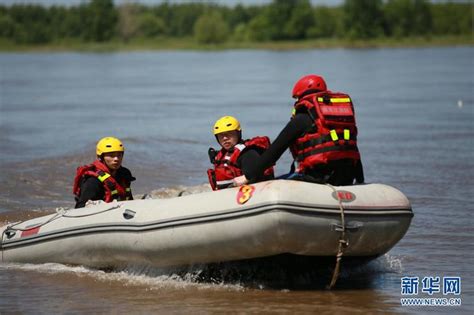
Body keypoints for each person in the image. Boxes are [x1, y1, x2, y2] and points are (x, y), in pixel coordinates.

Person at [233, 74, 364, 187]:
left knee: (272, 183)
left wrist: (248, 176)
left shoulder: (302, 119)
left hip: (318, 178)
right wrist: (360, 181)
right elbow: (352, 151)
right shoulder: (342, 121)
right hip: (347, 177)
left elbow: (274, 151)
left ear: (301, 97)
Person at [207, 116, 274, 190]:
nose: (225, 138)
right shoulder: (222, 155)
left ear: (238, 134)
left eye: (229, 133)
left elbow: (256, 179)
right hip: (225, 195)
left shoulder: (248, 153)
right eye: (221, 135)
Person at [73, 137, 135, 208]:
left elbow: (129, 198)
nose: (116, 159)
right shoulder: (92, 181)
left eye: (119, 155)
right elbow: (80, 208)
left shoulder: (125, 173)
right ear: (101, 157)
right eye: (111, 155)